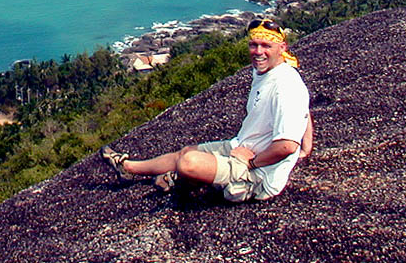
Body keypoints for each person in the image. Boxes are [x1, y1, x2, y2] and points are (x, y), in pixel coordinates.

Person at [101, 18, 313, 201]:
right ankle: (127, 168)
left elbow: (286, 146)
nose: (258, 52)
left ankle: (180, 180)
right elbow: (303, 111)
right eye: (254, 45)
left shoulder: (286, 84)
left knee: (189, 162)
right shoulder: (268, 73)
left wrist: (251, 162)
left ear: (282, 48)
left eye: (266, 46)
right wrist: (307, 147)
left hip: (257, 175)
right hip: (241, 147)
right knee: (186, 152)